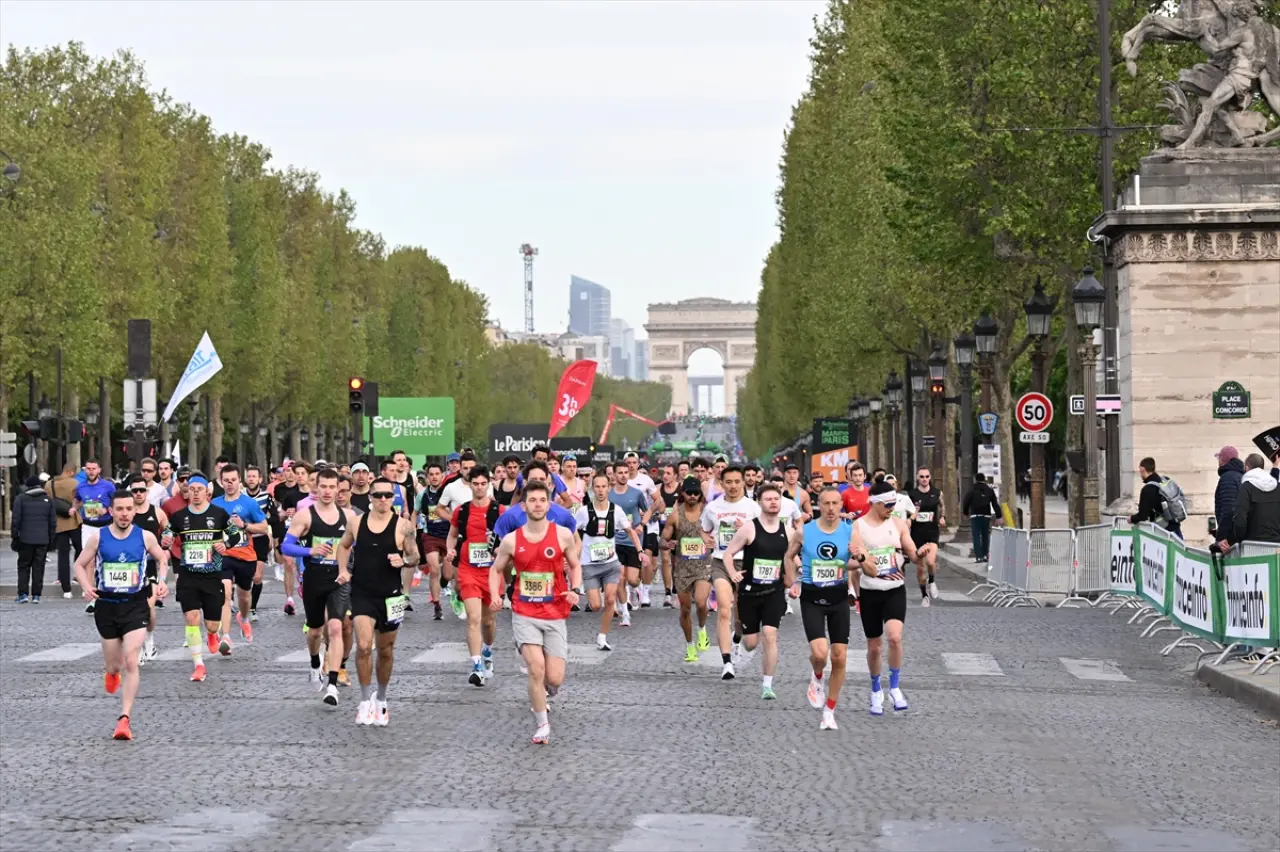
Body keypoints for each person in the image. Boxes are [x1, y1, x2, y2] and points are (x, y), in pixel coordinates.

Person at [488, 480, 583, 745]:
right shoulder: (511, 540)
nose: (538, 505)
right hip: (524, 611)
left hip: (554, 612)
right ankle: (542, 724)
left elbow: (575, 565)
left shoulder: (562, 534)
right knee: (536, 669)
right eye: (533, 500)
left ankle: (546, 690)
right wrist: (495, 595)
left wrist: (575, 588)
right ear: (524, 504)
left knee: (554, 678)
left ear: (549, 504)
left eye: (542, 500)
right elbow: (495, 570)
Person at [73, 490, 170, 740]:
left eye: (129, 509)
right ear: (111, 511)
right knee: (114, 665)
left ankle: (124, 719)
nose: (125, 514)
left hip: (135, 604)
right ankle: (111, 672)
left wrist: (161, 582)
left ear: (133, 511)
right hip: (106, 605)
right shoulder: (98, 537)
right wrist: (86, 586)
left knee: (131, 660)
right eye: (120, 509)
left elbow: (162, 558)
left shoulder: (145, 536)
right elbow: (79, 564)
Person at [337, 476, 420, 726]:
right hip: (362, 592)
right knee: (363, 646)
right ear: (370, 498)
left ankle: (381, 698)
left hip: (392, 595)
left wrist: (404, 562)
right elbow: (343, 546)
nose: (383, 500)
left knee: (385, 650)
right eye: (378, 496)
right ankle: (364, 701)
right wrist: (343, 569)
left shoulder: (403, 526)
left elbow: (415, 555)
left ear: (393, 498)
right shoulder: (356, 522)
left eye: (388, 495)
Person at [281, 468, 355, 706]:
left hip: (338, 580)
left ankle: (332, 684)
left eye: (332, 487)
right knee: (315, 631)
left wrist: (350, 571)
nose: (328, 491)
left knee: (335, 628)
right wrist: (309, 551)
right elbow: (286, 547)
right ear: (316, 488)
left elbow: (358, 549)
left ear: (338, 490)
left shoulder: (349, 516)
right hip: (313, 579)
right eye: (323, 486)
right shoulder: (305, 515)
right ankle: (315, 662)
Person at [787, 486, 856, 730]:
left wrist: (859, 560)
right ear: (818, 504)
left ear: (841, 505)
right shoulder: (804, 532)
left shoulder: (849, 531)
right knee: (819, 654)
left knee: (839, 658)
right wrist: (792, 581)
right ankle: (817, 676)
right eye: (825, 503)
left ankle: (829, 710)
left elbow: (860, 560)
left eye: (835, 503)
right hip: (812, 598)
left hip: (838, 599)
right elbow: (788, 557)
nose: (830, 508)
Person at [850, 481, 919, 716]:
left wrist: (922, 554)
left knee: (895, 638)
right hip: (870, 592)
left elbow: (912, 552)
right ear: (875, 503)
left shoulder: (898, 524)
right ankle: (876, 689)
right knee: (874, 646)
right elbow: (858, 563)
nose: (891, 508)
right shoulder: (858, 527)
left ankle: (895, 687)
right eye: (888, 505)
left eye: (893, 504)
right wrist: (862, 560)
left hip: (895, 590)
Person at [722, 483, 794, 700]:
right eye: (768, 499)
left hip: (773, 591)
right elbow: (728, 554)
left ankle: (767, 685)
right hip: (750, 593)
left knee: (770, 635)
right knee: (751, 643)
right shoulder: (749, 528)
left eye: (776, 499)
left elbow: (793, 558)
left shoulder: (788, 531)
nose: (773, 502)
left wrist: (795, 580)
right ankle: (738, 637)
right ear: (759, 503)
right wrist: (732, 572)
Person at [165, 473, 234, 682]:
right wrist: (166, 539)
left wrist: (226, 545)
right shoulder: (179, 516)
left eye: (199, 489)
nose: (195, 493)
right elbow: (167, 532)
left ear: (207, 492)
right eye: (191, 490)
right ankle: (198, 665)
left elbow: (236, 534)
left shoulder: (219, 514)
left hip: (212, 576)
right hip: (188, 575)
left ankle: (213, 634)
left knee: (212, 624)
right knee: (191, 618)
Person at [446, 465, 504, 686]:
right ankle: (476, 664)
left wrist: (501, 551)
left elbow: (509, 539)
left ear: (488, 485)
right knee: (473, 618)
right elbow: (452, 536)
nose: (479, 488)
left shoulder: (499, 511)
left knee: (488, 622)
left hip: (491, 571)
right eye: (475, 484)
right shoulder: (461, 511)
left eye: (483, 484)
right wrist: (451, 549)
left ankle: (487, 650)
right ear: (469, 485)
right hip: (468, 569)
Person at [575, 472, 640, 651]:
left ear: (608, 488)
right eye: (597, 486)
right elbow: (571, 530)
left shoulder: (616, 510)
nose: (601, 490)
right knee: (596, 605)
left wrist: (640, 550)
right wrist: (573, 551)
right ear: (592, 489)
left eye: (604, 486)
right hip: (590, 564)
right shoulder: (584, 511)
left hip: (611, 563)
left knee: (610, 600)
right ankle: (601, 622)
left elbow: (631, 531)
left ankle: (602, 636)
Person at [662, 477, 713, 661]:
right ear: (683, 493)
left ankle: (702, 629)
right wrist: (668, 544)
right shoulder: (675, 515)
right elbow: (662, 540)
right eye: (689, 492)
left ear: (700, 495)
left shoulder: (708, 513)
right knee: (684, 610)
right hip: (682, 568)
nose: (692, 496)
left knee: (700, 602)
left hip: (703, 565)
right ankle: (690, 645)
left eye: (696, 493)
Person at [13, 475, 57, 603]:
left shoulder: (20, 499)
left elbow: (16, 520)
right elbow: (52, 522)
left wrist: (15, 536)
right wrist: (51, 539)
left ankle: (23, 594)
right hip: (42, 539)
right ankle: (36, 595)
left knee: (23, 566)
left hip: (25, 539)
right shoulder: (48, 501)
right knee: (39, 567)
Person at [1223, 453, 1280, 546]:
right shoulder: (1276, 486)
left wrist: (1240, 540)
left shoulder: (1246, 487)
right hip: (1277, 544)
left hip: (1252, 544)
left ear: (1246, 467)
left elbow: (1240, 518)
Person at [47, 463, 83, 599]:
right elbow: (80, 501)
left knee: (62, 555)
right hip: (74, 521)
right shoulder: (75, 483)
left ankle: (66, 589)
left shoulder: (49, 484)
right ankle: (78, 577)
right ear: (72, 472)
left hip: (58, 524)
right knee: (81, 550)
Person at [1128, 457, 1183, 539]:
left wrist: (1131, 519)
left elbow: (1143, 515)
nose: (1140, 474)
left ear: (1143, 469)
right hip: (1175, 527)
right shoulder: (1164, 481)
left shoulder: (1148, 489)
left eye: (1140, 471)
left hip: (1164, 531)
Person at [961, 473, 1000, 563]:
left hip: (975, 515)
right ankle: (986, 555)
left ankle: (978, 556)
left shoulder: (972, 490)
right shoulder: (989, 490)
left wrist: (965, 513)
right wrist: (999, 515)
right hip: (986, 515)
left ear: (975, 479)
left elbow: (966, 502)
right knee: (985, 535)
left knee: (976, 536)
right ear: (984, 480)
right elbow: (995, 504)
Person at [1214, 446, 1245, 539]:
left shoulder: (1228, 477)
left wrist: (1221, 536)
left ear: (1223, 460)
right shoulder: (1241, 476)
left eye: (1219, 458)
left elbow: (1228, 509)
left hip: (1231, 534)